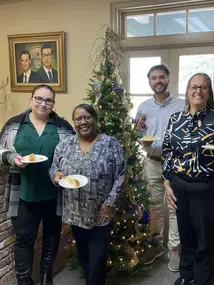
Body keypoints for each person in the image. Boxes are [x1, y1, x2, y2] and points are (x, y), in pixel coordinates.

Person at [162, 73, 214, 285]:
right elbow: (168, 153)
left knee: (205, 242)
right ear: (187, 91)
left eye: (203, 87)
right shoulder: (175, 119)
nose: (198, 91)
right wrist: (166, 182)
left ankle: (203, 281)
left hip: (208, 189)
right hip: (179, 187)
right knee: (186, 238)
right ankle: (186, 275)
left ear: (209, 92)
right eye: (194, 87)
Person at [0, 84, 74, 285]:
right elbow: (0, 150)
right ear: (31, 100)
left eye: (49, 100)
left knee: (51, 235)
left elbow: (74, 155)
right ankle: (24, 280)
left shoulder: (63, 127)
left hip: (54, 193)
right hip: (23, 193)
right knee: (24, 239)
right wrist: (12, 157)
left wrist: (64, 169)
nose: (43, 103)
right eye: (39, 99)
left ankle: (45, 277)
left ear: (53, 104)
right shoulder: (15, 124)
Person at [49, 103, 125, 285]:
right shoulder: (65, 144)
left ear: (95, 119)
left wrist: (110, 202)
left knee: (98, 258)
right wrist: (56, 175)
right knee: (83, 255)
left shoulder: (110, 143)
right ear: (74, 122)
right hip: (75, 211)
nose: (83, 122)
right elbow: (54, 167)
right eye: (78, 119)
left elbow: (121, 173)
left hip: (100, 212)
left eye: (87, 117)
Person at [135, 64, 184, 271]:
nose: (158, 81)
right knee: (153, 207)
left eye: (161, 77)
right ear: (149, 82)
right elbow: (137, 131)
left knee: (175, 208)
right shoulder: (143, 107)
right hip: (152, 163)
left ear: (168, 79)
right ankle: (157, 246)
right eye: (154, 78)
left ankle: (174, 249)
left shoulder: (182, 106)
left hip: (176, 164)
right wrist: (141, 141)